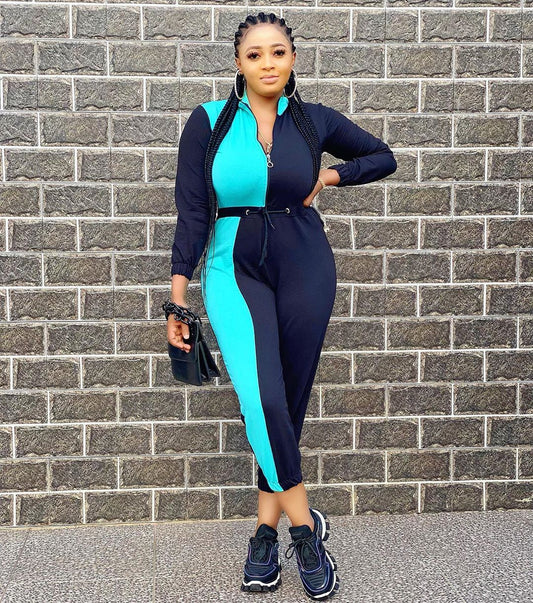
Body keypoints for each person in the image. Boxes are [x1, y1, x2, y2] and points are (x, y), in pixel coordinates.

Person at [166, 11, 397, 600]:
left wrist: (331, 178)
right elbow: (192, 212)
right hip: (233, 269)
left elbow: (383, 156)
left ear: (293, 58)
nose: (267, 63)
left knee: (286, 406)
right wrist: (177, 297)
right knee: (262, 397)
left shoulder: (314, 120)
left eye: (278, 52)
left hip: (305, 266)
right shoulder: (208, 122)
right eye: (254, 55)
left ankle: (263, 534)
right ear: (237, 64)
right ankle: (304, 530)